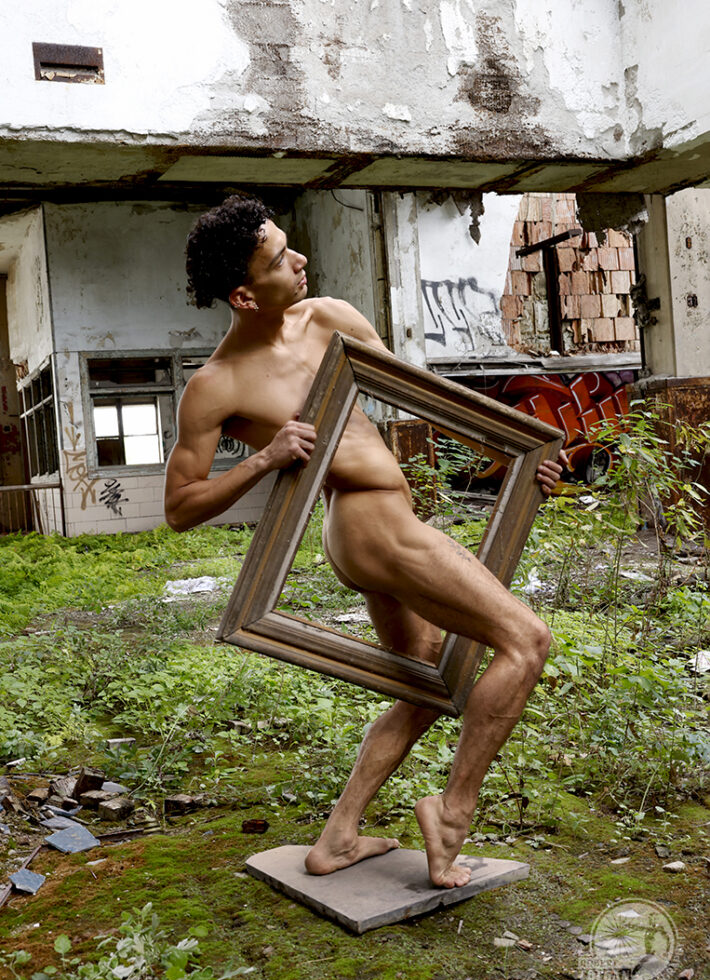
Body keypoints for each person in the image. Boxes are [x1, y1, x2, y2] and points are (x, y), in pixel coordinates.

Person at [165, 195, 566, 889]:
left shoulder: (332, 318)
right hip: (366, 523)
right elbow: (178, 507)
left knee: (428, 678)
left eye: (291, 247)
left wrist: (522, 458)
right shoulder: (217, 385)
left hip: (382, 519)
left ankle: (339, 837)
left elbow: (427, 397)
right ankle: (451, 812)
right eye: (278, 260)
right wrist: (264, 458)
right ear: (242, 293)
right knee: (527, 642)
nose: (300, 261)